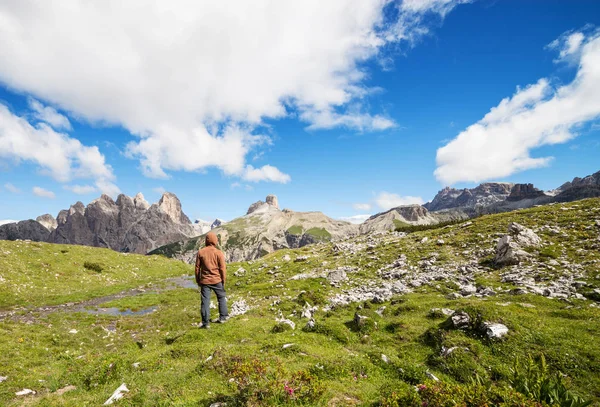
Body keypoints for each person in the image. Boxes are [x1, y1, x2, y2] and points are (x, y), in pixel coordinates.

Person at [195, 231, 228, 329]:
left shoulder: (201, 252)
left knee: (205, 301)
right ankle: (223, 317)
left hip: (205, 281)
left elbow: (197, 268)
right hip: (217, 280)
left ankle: (205, 323)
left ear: (206, 240)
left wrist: (198, 280)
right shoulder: (219, 252)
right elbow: (222, 268)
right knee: (221, 298)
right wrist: (223, 280)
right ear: (215, 241)